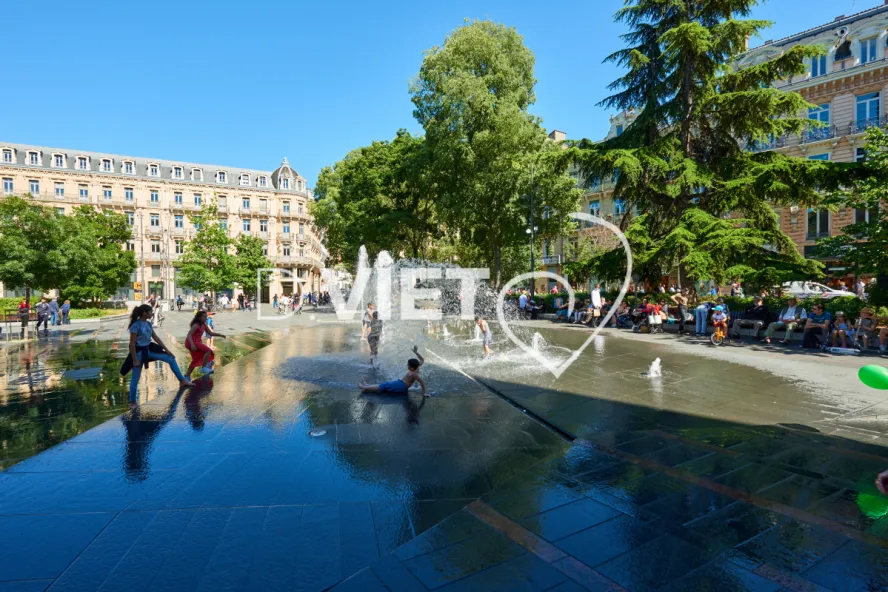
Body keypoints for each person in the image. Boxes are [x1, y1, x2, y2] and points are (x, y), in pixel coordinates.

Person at [127, 304, 192, 405]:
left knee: (170, 358)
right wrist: (135, 359)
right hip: (139, 353)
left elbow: (156, 338)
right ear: (145, 313)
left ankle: (182, 381)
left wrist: (167, 350)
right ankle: (132, 402)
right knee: (135, 377)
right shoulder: (135, 325)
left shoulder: (148, 324)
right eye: (150, 311)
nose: (152, 313)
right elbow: (131, 344)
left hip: (149, 350)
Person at [359, 346, 428, 397]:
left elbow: (422, 382)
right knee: (385, 384)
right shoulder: (416, 367)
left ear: (412, 368)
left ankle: (364, 387)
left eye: (408, 365)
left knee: (384, 386)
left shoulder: (414, 374)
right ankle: (367, 386)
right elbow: (422, 360)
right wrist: (416, 353)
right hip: (400, 383)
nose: (407, 366)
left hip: (401, 387)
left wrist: (424, 393)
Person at [185, 311, 226, 377]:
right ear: (199, 317)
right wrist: (192, 344)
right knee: (208, 351)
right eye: (204, 317)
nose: (206, 318)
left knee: (196, 360)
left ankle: (186, 376)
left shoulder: (204, 325)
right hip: (191, 342)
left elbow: (210, 333)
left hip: (196, 343)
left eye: (206, 317)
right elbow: (189, 335)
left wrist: (220, 335)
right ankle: (203, 368)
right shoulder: (196, 325)